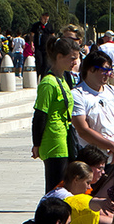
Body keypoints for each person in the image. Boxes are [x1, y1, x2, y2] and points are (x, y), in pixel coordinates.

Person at [34, 37, 82, 192]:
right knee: (55, 187)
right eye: (72, 58)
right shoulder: (48, 83)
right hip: (54, 140)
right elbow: (40, 115)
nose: (75, 62)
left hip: (64, 137)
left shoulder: (62, 79)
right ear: (59, 57)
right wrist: (36, 144)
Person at [71, 49, 114, 162]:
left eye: (110, 70)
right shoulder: (77, 94)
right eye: (104, 70)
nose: (108, 75)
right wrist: (112, 146)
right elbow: (83, 130)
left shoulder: (113, 91)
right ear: (90, 69)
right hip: (94, 158)